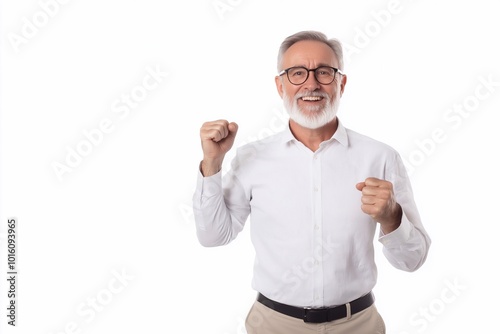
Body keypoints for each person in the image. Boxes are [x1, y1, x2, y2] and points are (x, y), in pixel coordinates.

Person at [192, 30, 431, 334]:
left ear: (341, 83)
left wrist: (392, 218)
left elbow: (413, 261)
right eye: (297, 73)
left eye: (324, 72)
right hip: (273, 325)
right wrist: (211, 164)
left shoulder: (380, 157)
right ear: (280, 86)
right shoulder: (251, 158)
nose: (311, 84)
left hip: (359, 325)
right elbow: (213, 236)